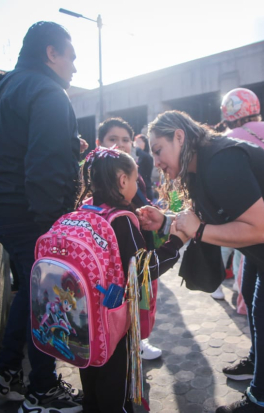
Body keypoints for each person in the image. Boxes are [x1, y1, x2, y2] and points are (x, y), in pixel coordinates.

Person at [140, 110, 264, 413]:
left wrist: (199, 231)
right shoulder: (201, 163)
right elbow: (206, 219)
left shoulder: (221, 161)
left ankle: (262, 401)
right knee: (254, 304)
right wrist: (166, 222)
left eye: (158, 150)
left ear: (179, 136)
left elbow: (258, 229)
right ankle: (259, 360)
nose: (157, 161)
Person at [0, 21, 83, 412]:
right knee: (46, 298)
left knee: (29, 291)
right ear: (51, 54)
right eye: (71, 57)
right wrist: (54, 227)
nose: (75, 68)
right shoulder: (48, 92)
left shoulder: (2, 89)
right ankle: (42, 389)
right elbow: (44, 167)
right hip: (33, 213)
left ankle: (5, 372)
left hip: (0, 210)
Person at [77, 146, 187, 413]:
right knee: (115, 377)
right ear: (123, 181)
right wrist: (176, 243)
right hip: (112, 320)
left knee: (91, 373)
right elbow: (142, 271)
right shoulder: (121, 220)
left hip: (84, 318)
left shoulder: (83, 211)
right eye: (136, 178)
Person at [213, 88, 264, 303]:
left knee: (229, 245)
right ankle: (244, 292)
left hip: (241, 210)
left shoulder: (227, 138)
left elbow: (220, 180)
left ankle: (218, 285)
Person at [96, 118, 164, 360]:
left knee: (141, 303)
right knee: (126, 305)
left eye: (125, 140)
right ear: (99, 143)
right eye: (112, 139)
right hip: (121, 262)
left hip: (138, 248)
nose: (120, 145)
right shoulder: (99, 181)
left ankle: (138, 341)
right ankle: (130, 346)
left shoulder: (134, 173)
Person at [134, 134, 155, 201]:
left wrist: (138, 149)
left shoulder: (147, 157)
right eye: (136, 142)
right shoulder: (140, 158)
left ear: (145, 143)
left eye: (139, 142)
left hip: (146, 189)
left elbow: (144, 156)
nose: (137, 144)